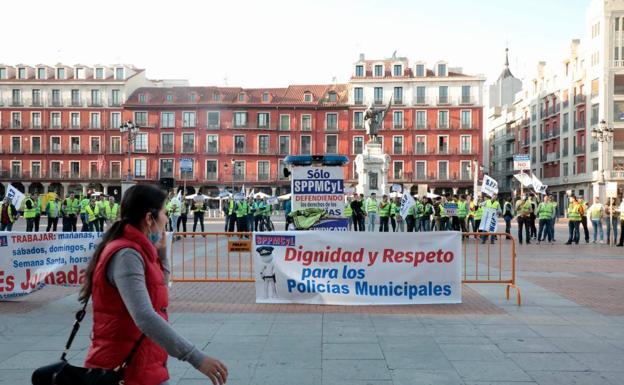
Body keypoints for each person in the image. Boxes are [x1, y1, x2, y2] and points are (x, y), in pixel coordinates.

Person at [79, 184, 228, 385]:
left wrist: (162, 252)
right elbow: (145, 316)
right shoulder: (127, 255)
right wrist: (195, 357)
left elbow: (159, 287)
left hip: (141, 362)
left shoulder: (138, 250)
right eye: (164, 213)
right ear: (149, 218)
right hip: (123, 368)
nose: (167, 219)